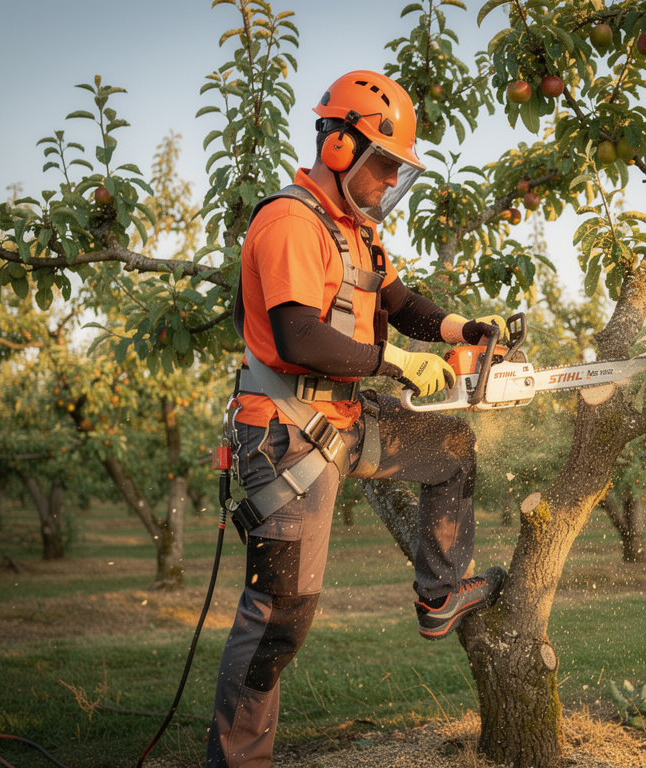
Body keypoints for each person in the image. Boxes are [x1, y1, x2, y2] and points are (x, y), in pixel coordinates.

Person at [208, 70, 506, 768]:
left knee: (451, 447)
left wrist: (462, 329)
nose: (387, 182)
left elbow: (399, 302)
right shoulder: (289, 221)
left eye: (398, 171)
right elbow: (296, 338)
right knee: (282, 615)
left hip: (341, 418)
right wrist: (396, 364)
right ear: (339, 146)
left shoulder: (358, 231)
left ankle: (440, 593)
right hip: (285, 433)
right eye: (383, 165)